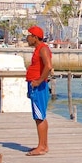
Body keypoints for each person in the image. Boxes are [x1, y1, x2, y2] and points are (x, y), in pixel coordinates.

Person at [25, 25, 53, 155]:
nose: (27, 38)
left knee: (39, 116)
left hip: (39, 86)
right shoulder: (37, 49)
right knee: (39, 116)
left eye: (29, 35)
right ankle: (43, 145)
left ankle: (42, 147)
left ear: (35, 37)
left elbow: (48, 66)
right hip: (34, 85)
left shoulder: (43, 48)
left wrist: (39, 81)